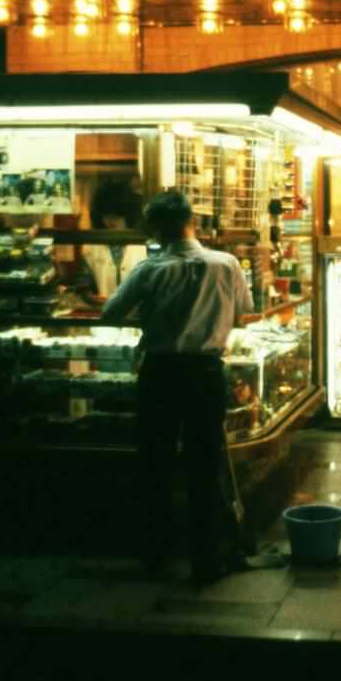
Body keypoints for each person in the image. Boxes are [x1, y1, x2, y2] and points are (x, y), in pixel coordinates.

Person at [101, 190, 252, 586]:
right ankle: (206, 561)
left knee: (155, 466)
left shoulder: (149, 270)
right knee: (204, 467)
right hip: (205, 374)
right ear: (193, 222)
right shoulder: (227, 264)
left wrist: (152, 315)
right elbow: (243, 313)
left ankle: (155, 555)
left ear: (157, 229)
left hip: (160, 374)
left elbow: (110, 313)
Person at [77, 181, 147, 306]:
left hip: (136, 316)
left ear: (128, 214)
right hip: (103, 315)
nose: (110, 221)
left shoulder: (143, 246)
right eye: (106, 215)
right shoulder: (91, 247)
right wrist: (89, 296)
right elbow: (84, 281)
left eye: (117, 216)